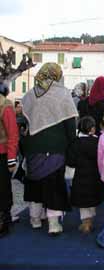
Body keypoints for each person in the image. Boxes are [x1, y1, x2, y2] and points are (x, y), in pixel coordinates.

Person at [21, 63, 78, 235]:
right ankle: (53, 224)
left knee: (34, 183)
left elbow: (24, 122)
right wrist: (71, 144)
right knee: (54, 184)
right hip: (55, 148)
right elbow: (70, 124)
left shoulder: (30, 94)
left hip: (32, 147)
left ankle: (35, 219)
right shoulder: (63, 94)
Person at [66, 116, 104, 233]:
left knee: (83, 202)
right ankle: (90, 221)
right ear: (92, 129)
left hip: (79, 177)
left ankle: (85, 222)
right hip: (95, 176)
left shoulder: (75, 143)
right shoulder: (98, 142)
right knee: (92, 199)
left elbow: (70, 161)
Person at [0, 81, 19, 237]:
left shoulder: (5, 106)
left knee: (3, 188)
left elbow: (12, 134)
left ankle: (4, 220)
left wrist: (11, 158)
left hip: (2, 154)